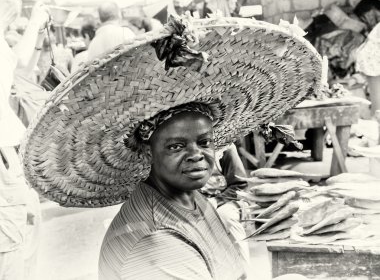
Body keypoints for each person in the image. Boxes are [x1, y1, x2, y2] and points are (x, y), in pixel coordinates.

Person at [21, 16, 322, 279]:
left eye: (204, 142)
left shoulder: (188, 197)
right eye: (176, 146)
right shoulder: (156, 243)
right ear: (148, 151)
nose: (197, 155)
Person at [0, 0, 49, 280]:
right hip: (3, 154)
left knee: (26, 223)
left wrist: (35, 29)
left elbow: (19, 67)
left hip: (9, 152)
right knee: (12, 241)